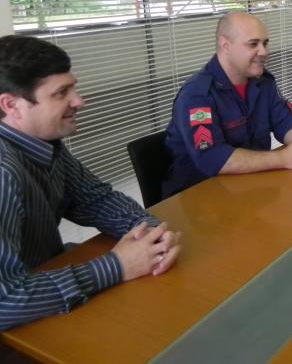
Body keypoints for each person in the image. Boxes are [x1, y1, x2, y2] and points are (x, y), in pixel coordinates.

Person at [0, 35, 181, 331]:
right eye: (61, 93)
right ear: (12, 105)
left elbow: (95, 200)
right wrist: (118, 266)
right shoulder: (3, 173)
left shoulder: (44, 144)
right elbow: (4, 302)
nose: (79, 101)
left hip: (43, 287)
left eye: (73, 87)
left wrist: (149, 235)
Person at [163, 12, 292, 198]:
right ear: (225, 45)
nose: (264, 52)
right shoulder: (197, 95)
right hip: (202, 197)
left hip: (252, 188)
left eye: (265, 43)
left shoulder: (263, 82)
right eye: (253, 44)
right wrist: (283, 158)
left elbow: (285, 119)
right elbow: (212, 158)